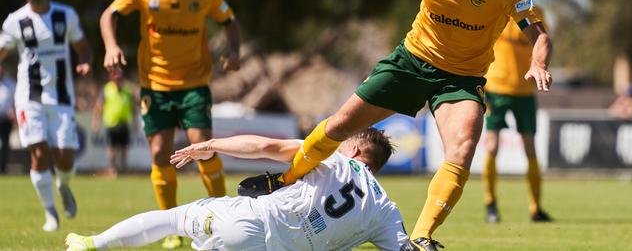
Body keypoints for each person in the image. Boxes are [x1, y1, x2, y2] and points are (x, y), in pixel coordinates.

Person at [239, 0, 553, 251]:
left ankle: (421, 237)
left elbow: (539, 34)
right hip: (411, 62)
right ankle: (284, 179)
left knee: (463, 149)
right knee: (340, 125)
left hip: (460, 78)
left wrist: (538, 61)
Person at [99, 0, 241, 249]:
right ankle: (170, 227)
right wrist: (110, 46)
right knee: (159, 152)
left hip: (194, 84)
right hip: (155, 85)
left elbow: (229, 20)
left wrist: (234, 51)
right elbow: (109, 14)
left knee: (202, 146)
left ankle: (225, 218)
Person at [64, 128, 409, 251]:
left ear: (355, 151)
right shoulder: (385, 211)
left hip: (248, 220)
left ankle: (91, 244)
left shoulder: (331, 156)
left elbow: (266, 146)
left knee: (173, 219)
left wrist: (213, 144)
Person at [0, 0, 93, 231]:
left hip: (62, 96)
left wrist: (85, 63)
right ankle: (50, 212)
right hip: (29, 97)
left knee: (65, 156)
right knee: (39, 153)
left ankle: (63, 185)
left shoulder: (66, 15)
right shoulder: (14, 21)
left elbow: (83, 49)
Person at [481, 0, 552, 223]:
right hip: (496, 89)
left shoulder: (537, 13)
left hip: (525, 90)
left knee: (530, 148)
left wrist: (542, 68)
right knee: (492, 146)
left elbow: (544, 45)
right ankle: (490, 204)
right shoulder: (496, 9)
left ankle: (536, 207)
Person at [92, 67, 136, 177]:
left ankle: (124, 169)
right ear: (112, 77)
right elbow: (98, 107)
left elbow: (133, 107)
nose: (118, 79)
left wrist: (135, 122)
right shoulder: (106, 89)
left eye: (120, 77)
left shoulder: (127, 90)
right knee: (111, 148)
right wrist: (96, 122)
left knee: (124, 148)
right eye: (116, 77)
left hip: (124, 122)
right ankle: (112, 169)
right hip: (111, 123)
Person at [0, 64, 16, 173]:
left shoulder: (11, 84)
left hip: (6, 120)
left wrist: (13, 111)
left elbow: (17, 100)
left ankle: (2, 168)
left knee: (4, 144)